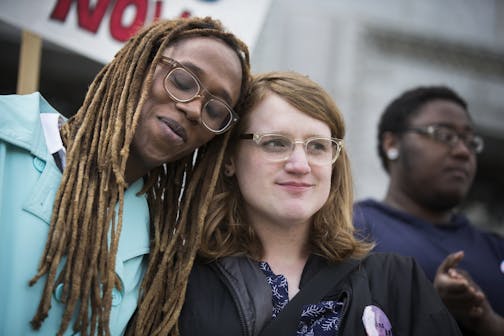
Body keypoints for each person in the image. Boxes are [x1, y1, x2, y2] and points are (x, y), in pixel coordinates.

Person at [0, 17, 251, 335]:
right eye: (184, 82)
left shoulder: (159, 243)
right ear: (140, 64)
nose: (193, 109)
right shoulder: (6, 135)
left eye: (215, 111)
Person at [178, 72, 462, 335]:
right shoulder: (178, 276)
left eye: (317, 146)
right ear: (229, 159)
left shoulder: (398, 282)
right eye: (276, 143)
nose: (300, 165)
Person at [353, 86, 504, 335]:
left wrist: (482, 318)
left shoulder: (496, 249)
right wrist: (430, 306)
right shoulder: (347, 230)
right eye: (443, 135)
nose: (463, 151)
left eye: (470, 141)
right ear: (392, 143)